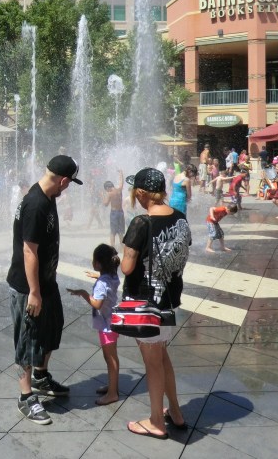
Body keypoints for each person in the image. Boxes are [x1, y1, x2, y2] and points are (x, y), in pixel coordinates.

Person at [7, 154, 81, 425]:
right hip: (29, 287)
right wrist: (34, 292)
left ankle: (40, 376)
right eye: (69, 183)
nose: (68, 188)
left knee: (52, 328)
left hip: (46, 282)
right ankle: (25, 396)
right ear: (63, 180)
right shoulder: (36, 204)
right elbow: (29, 251)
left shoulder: (48, 197)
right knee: (28, 339)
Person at [122, 167, 191, 438]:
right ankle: (175, 411)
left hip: (146, 303)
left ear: (141, 193)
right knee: (161, 356)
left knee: (152, 364)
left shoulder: (141, 222)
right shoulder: (180, 217)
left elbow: (127, 267)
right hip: (169, 300)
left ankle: (156, 422)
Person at [67, 244, 121, 406]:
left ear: (98, 263)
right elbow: (107, 281)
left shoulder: (102, 283)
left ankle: (113, 393)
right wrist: (98, 276)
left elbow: (97, 304)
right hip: (112, 321)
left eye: (94, 260)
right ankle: (112, 386)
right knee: (110, 357)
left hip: (107, 326)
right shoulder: (112, 276)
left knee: (110, 358)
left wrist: (83, 293)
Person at [102, 171, 124, 249]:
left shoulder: (110, 193)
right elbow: (121, 183)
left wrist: (102, 196)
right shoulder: (119, 190)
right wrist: (121, 174)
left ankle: (112, 247)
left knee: (113, 231)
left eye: (106, 190)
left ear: (108, 188)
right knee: (121, 231)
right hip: (121, 212)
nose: (107, 191)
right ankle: (121, 246)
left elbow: (105, 204)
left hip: (114, 213)